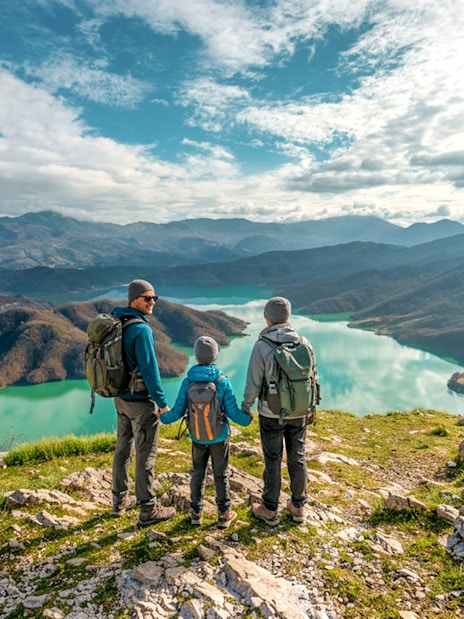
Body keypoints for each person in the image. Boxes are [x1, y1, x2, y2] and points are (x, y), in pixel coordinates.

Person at [160, 335, 253, 528]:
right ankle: (224, 514)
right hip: (219, 438)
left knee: (197, 474)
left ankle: (196, 513)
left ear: (196, 356)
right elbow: (234, 412)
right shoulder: (222, 382)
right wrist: (247, 419)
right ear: (215, 356)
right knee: (221, 475)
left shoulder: (188, 382)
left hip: (197, 437)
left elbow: (177, 411)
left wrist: (162, 416)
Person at [241, 296, 319, 526]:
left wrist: (246, 406)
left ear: (267, 318)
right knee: (298, 457)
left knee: (273, 459)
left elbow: (253, 382)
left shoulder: (262, 345)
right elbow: (313, 378)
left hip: (271, 413)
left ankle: (270, 509)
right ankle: (297, 507)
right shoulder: (304, 343)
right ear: (288, 317)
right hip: (300, 412)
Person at [110, 279, 176, 527]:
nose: (152, 302)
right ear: (133, 299)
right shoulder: (141, 330)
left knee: (122, 449)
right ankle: (148, 508)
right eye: (147, 298)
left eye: (154, 298)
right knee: (145, 455)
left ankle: (119, 501)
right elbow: (150, 371)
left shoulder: (119, 322)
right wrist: (162, 402)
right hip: (140, 402)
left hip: (121, 399)